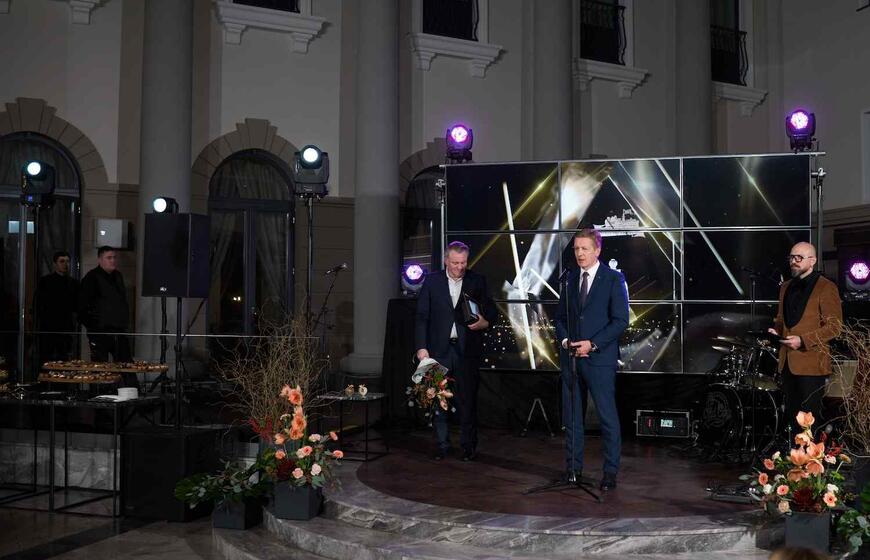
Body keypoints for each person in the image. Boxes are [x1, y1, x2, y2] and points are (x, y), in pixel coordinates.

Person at [555, 228, 629, 491]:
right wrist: (566, 341)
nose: (579, 253)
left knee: (607, 417)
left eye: (584, 248)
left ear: (597, 250)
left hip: (599, 359)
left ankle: (610, 473)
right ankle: (573, 470)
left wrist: (593, 344)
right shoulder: (570, 279)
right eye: (576, 249)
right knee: (573, 419)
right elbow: (560, 318)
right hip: (572, 360)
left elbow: (620, 320)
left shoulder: (613, 279)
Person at [415, 241, 495, 461]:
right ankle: (442, 445)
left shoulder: (477, 281)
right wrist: (421, 347)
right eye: (455, 263)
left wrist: (485, 323)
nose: (460, 267)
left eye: (463, 263)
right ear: (446, 261)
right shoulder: (432, 281)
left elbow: (491, 311)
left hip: (466, 351)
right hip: (436, 351)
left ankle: (468, 447)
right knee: (436, 398)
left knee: (467, 400)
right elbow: (421, 316)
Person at [768, 241, 842, 439]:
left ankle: (812, 457)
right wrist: (776, 331)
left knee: (809, 420)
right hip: (787, 362)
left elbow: (835, 327)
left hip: (811, 363)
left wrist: (802, 340)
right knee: (792, 417)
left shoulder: (826, 287)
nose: (794, 261)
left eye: (799, 258)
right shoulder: (785, 287)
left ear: (812, 260)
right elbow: (781, 320)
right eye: (791, 257)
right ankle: (794, 456)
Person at [78, 246, 136, 387]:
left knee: (127, 365)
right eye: (109, 258)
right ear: (100, 259)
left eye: (114, 257)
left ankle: (131, 393)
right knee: (100, 368)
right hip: (100, 332)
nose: (113, 260)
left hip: (118, 330)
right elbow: (81, 307)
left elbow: (121, 302)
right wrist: (94, 327)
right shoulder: (91, 278)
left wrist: (124, 322)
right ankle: (99, 395)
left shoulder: (118, 276)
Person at [35, 251, 78, 362]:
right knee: (46, 358)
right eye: (62, 261)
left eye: (67, 261)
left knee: (64, 359)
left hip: (66, 328)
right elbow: (38, 304)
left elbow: (76, 306)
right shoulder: (45, 281)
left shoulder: (73, 283)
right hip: (48, 328)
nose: (65, 264)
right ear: (55, 264)